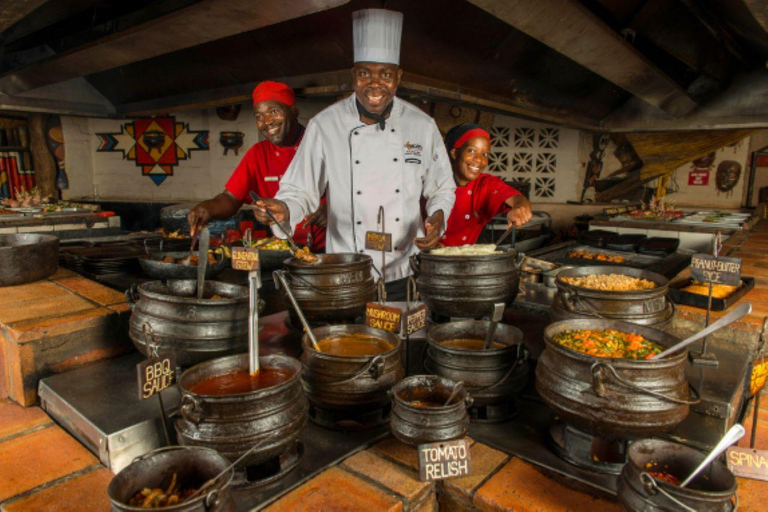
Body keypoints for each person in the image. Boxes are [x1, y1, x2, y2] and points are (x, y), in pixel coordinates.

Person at [253, 9, 455, 300]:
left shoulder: (421, 125)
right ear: (353, 75)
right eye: (364, 73)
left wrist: (438, 216)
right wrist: (283, 209)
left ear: (398, 77)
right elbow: (300, 189)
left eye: (385, 74)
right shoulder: (326, 124)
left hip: (404, 271)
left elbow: (443, 188)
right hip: (345, 270)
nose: (375, 84)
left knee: (401, 342)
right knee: (350, 342)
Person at [187, 81, 326, 250]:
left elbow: (358, 191)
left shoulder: (322, 144)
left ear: (294, 111)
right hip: (284, 251)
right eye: (259, 117)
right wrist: (207, 208)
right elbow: (231, 198)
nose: (267, 122)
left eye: (273, 111)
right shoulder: (258, 154)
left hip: (330, 249)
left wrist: (332, 209)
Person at [440, 123, 532, 246]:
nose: (479, 159)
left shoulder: (486, 184)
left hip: (464, 259)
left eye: (485, 154)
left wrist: (520, 208)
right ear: (454, 153)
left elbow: (517, 198)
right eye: (471, 151)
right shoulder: (433, 182)